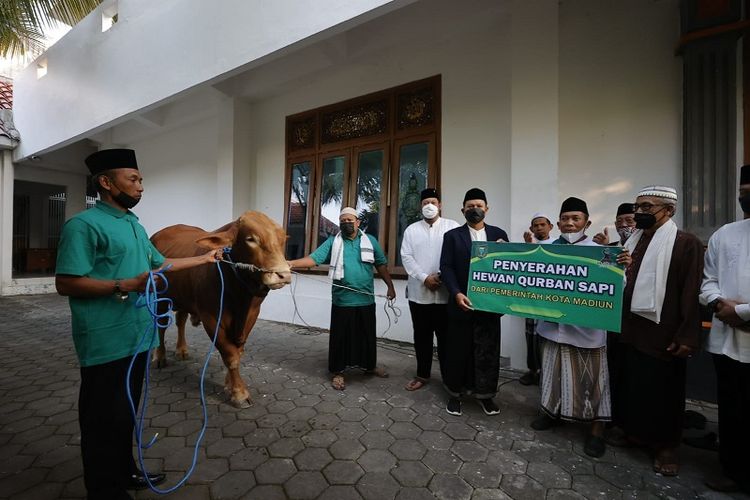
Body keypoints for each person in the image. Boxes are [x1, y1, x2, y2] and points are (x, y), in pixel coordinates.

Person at [55, 149, 223, 500]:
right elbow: (66, 283)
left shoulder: (133, 225)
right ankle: (103, 489)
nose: (140, 186)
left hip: (137, 338)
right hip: (103, 342)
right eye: (133, 179)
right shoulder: (82, 226)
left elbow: (163, 263)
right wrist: (125, 285)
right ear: (105, 182)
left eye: (141, 180)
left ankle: (125, 470)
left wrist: (205, 258)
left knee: (126, 412)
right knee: (102, 420)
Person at [612, 186, 703, 476]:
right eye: (637, 207)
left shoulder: (685, 243)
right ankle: (634, 433)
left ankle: (665, 446)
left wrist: (688, 335)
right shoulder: (632, 242)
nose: (639, 213)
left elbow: (691, 292)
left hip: (663, 332)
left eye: (647, 207)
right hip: (630, 328)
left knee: (663, 390)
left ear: (669, 210)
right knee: (633, 384)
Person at [531, 197, 631, 458]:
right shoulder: (547, 250)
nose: (570, 223)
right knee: (552, 375)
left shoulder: (603, 253)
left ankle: (596, 431)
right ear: (558, 223)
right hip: (552, 329)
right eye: (565, 219)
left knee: (593, 381)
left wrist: (621, 268)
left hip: (588, 332)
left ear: (587, 222)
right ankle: (550, 413)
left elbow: (615, 290)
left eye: (576, 219)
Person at [288, 207, 396, 391]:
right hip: (342, 300)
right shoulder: (333, 241)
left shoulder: (370, 241)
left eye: (350, 220)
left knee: (367, 336)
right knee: (340, 338)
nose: (346, 223)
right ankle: (338, 372)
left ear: (358, 222)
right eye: (343, 220)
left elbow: (381, 264)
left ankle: (369, 367)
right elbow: (314, 259)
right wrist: (290, 263)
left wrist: (391, 286)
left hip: (366, 299)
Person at [699, 165, 750, 494]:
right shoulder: (726, 234)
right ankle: (733, 470)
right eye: (743, 194)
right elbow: (708, 281)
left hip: (739, 321)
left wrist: (742, 311)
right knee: (732, 409)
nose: (746, 199)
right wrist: (720, 304)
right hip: (728, 340)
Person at [439, 188, 508, 416]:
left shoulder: (499, 234)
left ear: (486, 209)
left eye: (478, 205)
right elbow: (446, 267)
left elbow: (508, 266)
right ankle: (455, 395)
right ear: (463, 210)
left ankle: (485, 396)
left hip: (489, 307)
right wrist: (456, 293)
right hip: (461, 303)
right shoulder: (452, 236)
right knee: (458, 349)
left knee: (487, 351)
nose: (474, 209)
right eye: (470, 206)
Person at [400, 188, 460, 391]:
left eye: (433, 201)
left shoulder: (453, 227)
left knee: (447, 339)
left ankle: (448, 378)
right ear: (420, 206)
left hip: (445, 295)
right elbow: (406, 257)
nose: (429, 206)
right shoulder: (411, 230)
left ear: (440, 204)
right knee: (422, 338)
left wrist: (442, 277)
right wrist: (424, 278)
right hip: (419, 295)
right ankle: (423, 375)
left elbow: (459, 256)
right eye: (425, 202)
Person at [520, 212, 554, 386]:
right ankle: (533, 371)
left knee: (547, 339)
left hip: (551, 302)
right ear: (532, 229)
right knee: (531, 337)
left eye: (543, 224)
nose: (539, 228)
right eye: (536, 225)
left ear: (551, 227)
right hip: (532, 300)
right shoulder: (530, 246)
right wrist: (528, 248)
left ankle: (547, 375)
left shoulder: (558, 246)